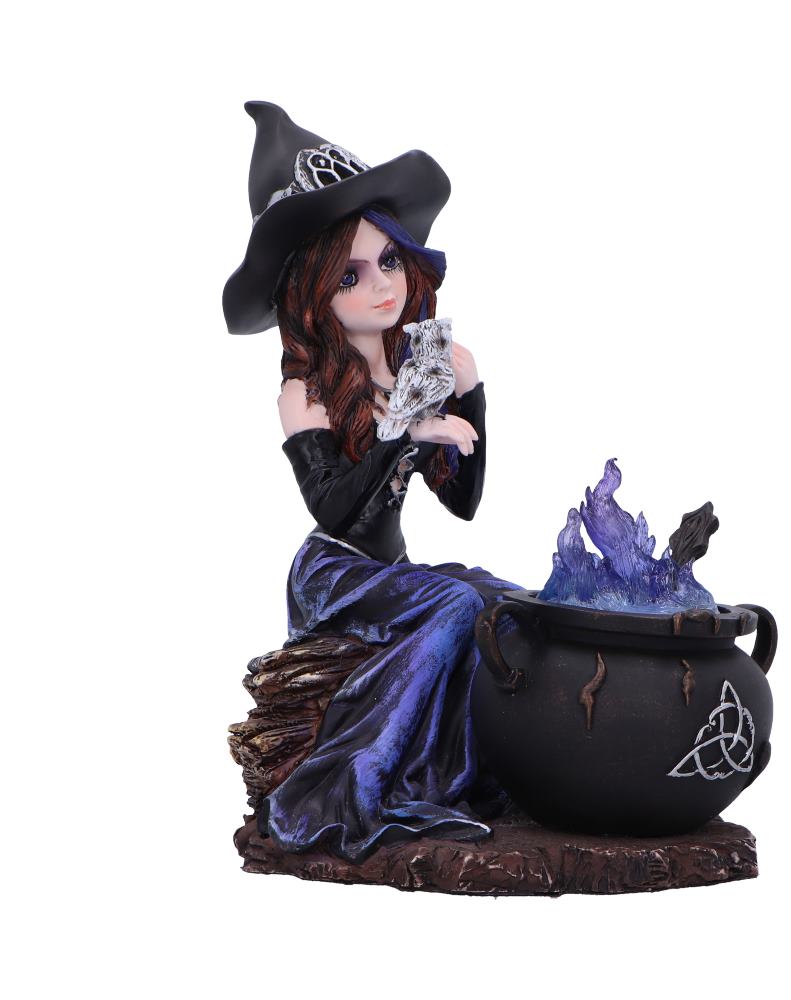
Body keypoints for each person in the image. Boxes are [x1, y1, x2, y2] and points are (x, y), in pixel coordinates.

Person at [223, 102, 519, 862]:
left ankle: (464, 774)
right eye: (351, 275)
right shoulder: (306, 394)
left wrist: (472, 397)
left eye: (390, 261)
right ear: (310, 293)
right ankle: (355, 782)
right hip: (336, 576)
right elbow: (335, 508)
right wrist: (406, 436)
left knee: (502, 601)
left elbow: (463, 503)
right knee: (455, 603)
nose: (381, 287)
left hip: (393, 572)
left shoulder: (409, 369)